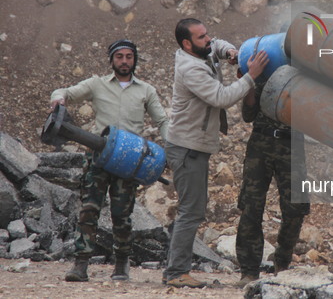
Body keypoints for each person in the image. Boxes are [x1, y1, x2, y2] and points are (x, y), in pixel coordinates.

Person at [50, 39, 169, 282]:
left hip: (129, 160)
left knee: (121, 214)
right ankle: (80, 265)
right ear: (112, 60)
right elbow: (66, 93)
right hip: (98, 156)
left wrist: (171, 148)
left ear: (134, 60)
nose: (124, 61)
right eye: (119, 57)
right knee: (88, 209)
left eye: (129, 57)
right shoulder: (96, 84)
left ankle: (122, 263)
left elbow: (162, 121)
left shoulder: (146, 90)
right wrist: (58, 98)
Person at [163, 18, 268, 288]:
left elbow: (217, 45)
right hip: (187, 148)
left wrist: (231, 52)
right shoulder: (190, 69)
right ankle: (176, 272)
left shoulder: (201, 50)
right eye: (201, 37)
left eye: (206, 34)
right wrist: (251, 76)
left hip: (195, 146)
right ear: (187, 44)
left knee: (192, 209)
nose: (208, 40)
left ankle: (177, 269)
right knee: (191, 211)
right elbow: (221, 97)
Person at [234, 71, 310, 288]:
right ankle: (249, 271)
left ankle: (282, 264)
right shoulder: (268, 69)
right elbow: (248, 114)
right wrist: (249, 80)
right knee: (251, 205)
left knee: (296, 208)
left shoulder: (309, 74)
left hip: (292, 144)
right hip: (261, 142)